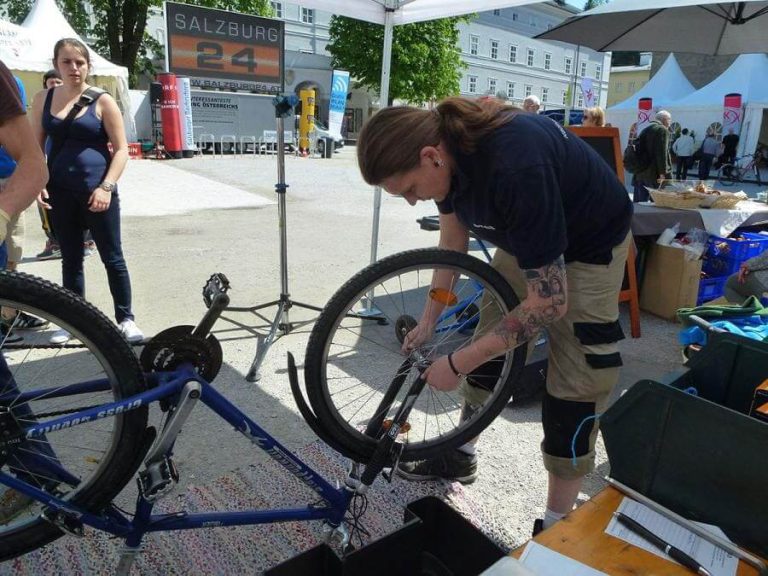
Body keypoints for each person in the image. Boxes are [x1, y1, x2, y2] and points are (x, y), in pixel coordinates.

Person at [356, 97, 633, 534]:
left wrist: (457, 362)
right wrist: (430, 320)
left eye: (408, 188)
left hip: (590, 244)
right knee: (493, 327)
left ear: (431, 156)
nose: (412, 202)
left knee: (578, 377)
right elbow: (451, 244)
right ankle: (460, 453)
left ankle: (559, 525)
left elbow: (548, 304)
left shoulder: (514, 167)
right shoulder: (445, 150)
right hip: (527, 233)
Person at [30, 38, 144, 344]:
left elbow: (121, 151)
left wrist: (107, 187)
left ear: (88, 66)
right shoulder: (43, 99)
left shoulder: (102, 101)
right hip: (59, 193)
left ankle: (126, 319)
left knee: (112, 257)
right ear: (56, 65)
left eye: (80, 62)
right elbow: (34, 149)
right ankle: (72, 323)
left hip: (97, 192)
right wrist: (38, 182)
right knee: (70, 257)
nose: (74, 68)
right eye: (66, 62)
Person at [0, 74, 49, 342]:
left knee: (11, 256)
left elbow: (33, 160)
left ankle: (7, 317)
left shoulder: (6, 80)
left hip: (8, 182)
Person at [631, 110, 672, 203]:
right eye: (670, 120)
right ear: (665, 119)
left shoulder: (646, 129)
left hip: (640, 172)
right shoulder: (662, 130)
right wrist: (663, 173)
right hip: (653, 174)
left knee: (639, 203)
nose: (670, 123)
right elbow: (662, 153)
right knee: (657, 203)